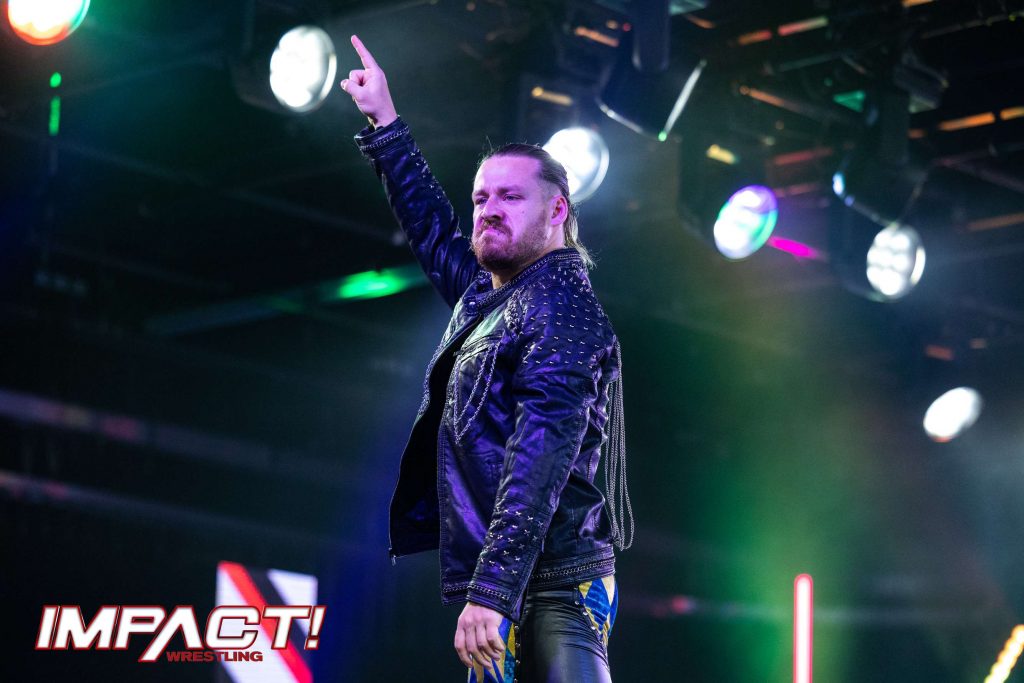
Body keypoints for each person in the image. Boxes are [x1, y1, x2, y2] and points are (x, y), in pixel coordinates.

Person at [341, 34, 632, 682]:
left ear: (557, 211)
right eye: (481, 199)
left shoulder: (561, 309)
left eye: (510, 197)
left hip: (557, 577)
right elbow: (433, 230)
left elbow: (539, 457)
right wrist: (385, 124)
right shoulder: (492, 296)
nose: (488, 212)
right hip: (508, 572)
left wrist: (493, 591)